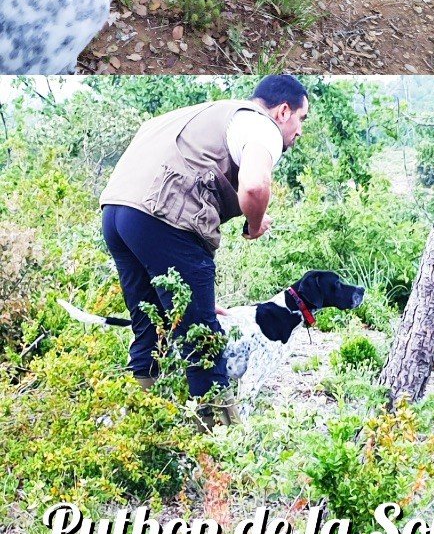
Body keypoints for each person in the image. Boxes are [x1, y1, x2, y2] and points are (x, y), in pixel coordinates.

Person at [98, 74, 309, 427]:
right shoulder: (260, 125)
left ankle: (135, 429)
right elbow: (255, 186)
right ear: (283, 111)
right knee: (203, 343)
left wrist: (193, 298)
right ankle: (222, 449)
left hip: (117, 215)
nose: (299, 131)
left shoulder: (196, 113)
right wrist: (255, 225)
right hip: (162, 219)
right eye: (301, 119)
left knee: (150, 326)